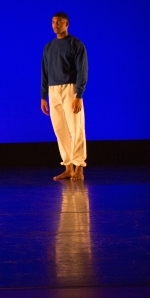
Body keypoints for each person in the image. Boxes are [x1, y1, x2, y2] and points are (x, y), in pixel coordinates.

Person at [40, 12, 88, 181]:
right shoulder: (48, 47)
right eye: (53, 22)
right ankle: (68, 167)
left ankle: (79, 167)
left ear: (67, 24)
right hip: (53, 91)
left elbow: (82, 71)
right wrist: (43, 96)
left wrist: (78, 95)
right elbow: (44, 72)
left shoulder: (76, 44)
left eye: (59, 22)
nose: (55, 25)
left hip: (70, 88)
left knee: (76, 128)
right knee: (60, 130)